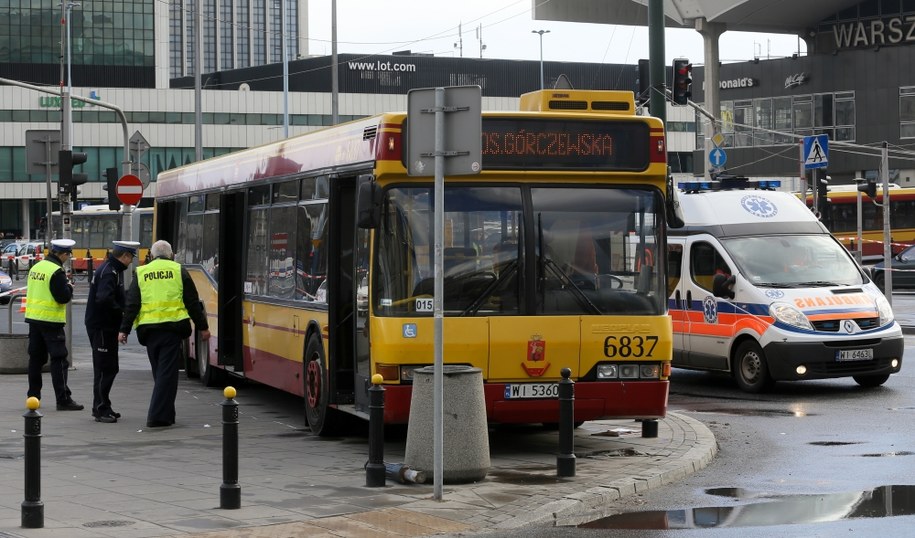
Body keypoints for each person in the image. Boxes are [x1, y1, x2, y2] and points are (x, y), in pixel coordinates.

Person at [118, 240, 210, 428]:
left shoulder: (142, 272)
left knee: (160, 373)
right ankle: (157, 416)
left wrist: (124, 329)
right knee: (166, 375)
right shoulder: (178, 271)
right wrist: (203, 327)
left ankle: (167, 414)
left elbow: (132, 304)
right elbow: (192, 302)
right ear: (171, 254)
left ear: (151, 255)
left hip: (149, 331)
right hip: (171, 329)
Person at [85, 240, 140, 423]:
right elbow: (104, 299)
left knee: (108, 368)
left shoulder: (112, 269)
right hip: (102, 327)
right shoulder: (110, 272)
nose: (131, 260)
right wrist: (122, 312)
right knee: (104, 369)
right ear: (124, 256)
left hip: (104, 326)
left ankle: (102, 405)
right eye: (131, 257)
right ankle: (101, 408)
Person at [25, 238, 83, 411]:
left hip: (34, 319)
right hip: (51, 322)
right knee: (59, 360)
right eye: (68, 255)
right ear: (63, 254)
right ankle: (63, 399)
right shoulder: (56, 272)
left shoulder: (36, 267)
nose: (68, 258)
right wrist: (70, 287)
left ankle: (33, 396)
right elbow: (63, 297)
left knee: (35, 359)